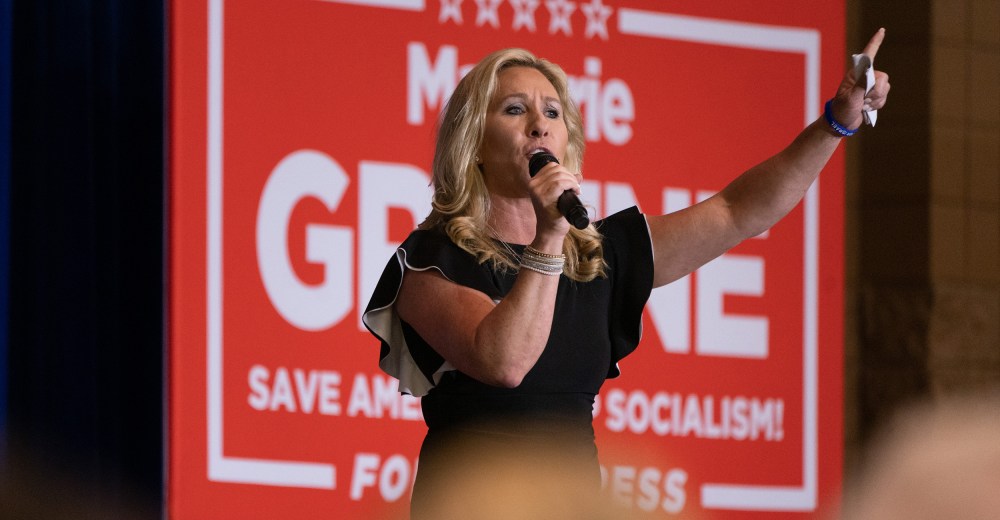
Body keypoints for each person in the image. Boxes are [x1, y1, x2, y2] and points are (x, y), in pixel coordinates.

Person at [364, 30, 890, 517]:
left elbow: (738, 211)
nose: (539, 123)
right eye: (513, 109)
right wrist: (549, 237)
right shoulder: (431, 260)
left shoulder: (599, 256)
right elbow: (504, 361)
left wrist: (834, 125)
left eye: (552, 111)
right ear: (473, 144)